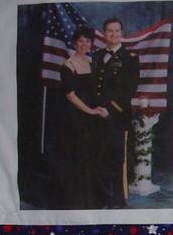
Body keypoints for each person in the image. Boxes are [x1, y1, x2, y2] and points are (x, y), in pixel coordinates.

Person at [52, 26, 109, 208]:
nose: (84, 44)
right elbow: (71, 96)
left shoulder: (90, 62)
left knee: (90, 156)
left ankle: (90, 199)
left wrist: (97, 108)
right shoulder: (68, 65)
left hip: (90, 116)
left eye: (87, 41)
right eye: (80, 41)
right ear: (74, 43)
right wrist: (90, 111)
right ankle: (76, 201)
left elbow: (93, 91)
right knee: (77, 157)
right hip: (74, 117)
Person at [92, 17, 139, 208]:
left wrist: (109, 109)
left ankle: (117, 201)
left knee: (116, 159)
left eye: (117, 30)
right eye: (110, 31)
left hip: (116, 116)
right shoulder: (97, 55)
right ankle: (100, 199)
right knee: (98, 157)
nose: (114, 34)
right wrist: (94, 108)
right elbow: (93, 86)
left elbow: (129, 90)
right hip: (96, 115)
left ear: (122, 33)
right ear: (104, 34)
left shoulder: (130, 58)